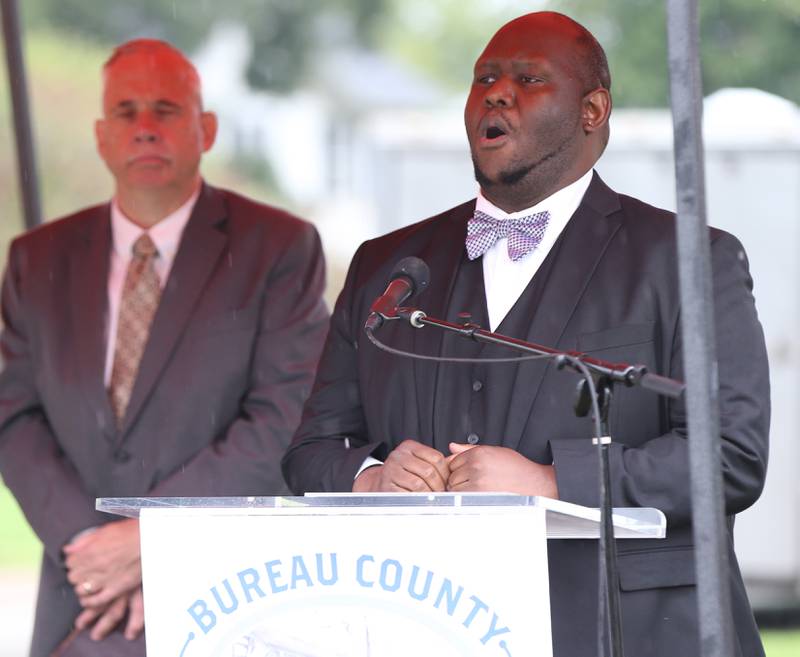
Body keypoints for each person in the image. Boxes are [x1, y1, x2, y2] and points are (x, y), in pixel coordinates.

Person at [281, 11, 769, 657]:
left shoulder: (687, 257)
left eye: (528, 78)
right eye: (484, 77)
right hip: (429, 623)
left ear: (592, 110)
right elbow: (310, 447)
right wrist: (369, 475)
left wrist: (550, 480)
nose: (496, 92)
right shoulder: (387, 264)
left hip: (629, 631)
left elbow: (728, 455)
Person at [0, 39, 328, 657]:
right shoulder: (35, 259)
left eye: (166, 110)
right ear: (101, 136)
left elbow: (287, 415)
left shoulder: (278, 248)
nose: (145, 129)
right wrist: (94, 553)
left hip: (226, 596)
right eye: (126, 112)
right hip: (84, 599)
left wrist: (154, 537)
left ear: (205, 129)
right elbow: (14, 417)